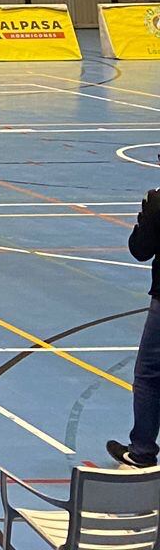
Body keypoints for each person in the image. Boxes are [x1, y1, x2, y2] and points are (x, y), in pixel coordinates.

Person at [114, 188, 160, 467]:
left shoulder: (158, 202)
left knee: (148, 374)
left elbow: (140, 249)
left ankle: (142, 451)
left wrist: (145, 219)